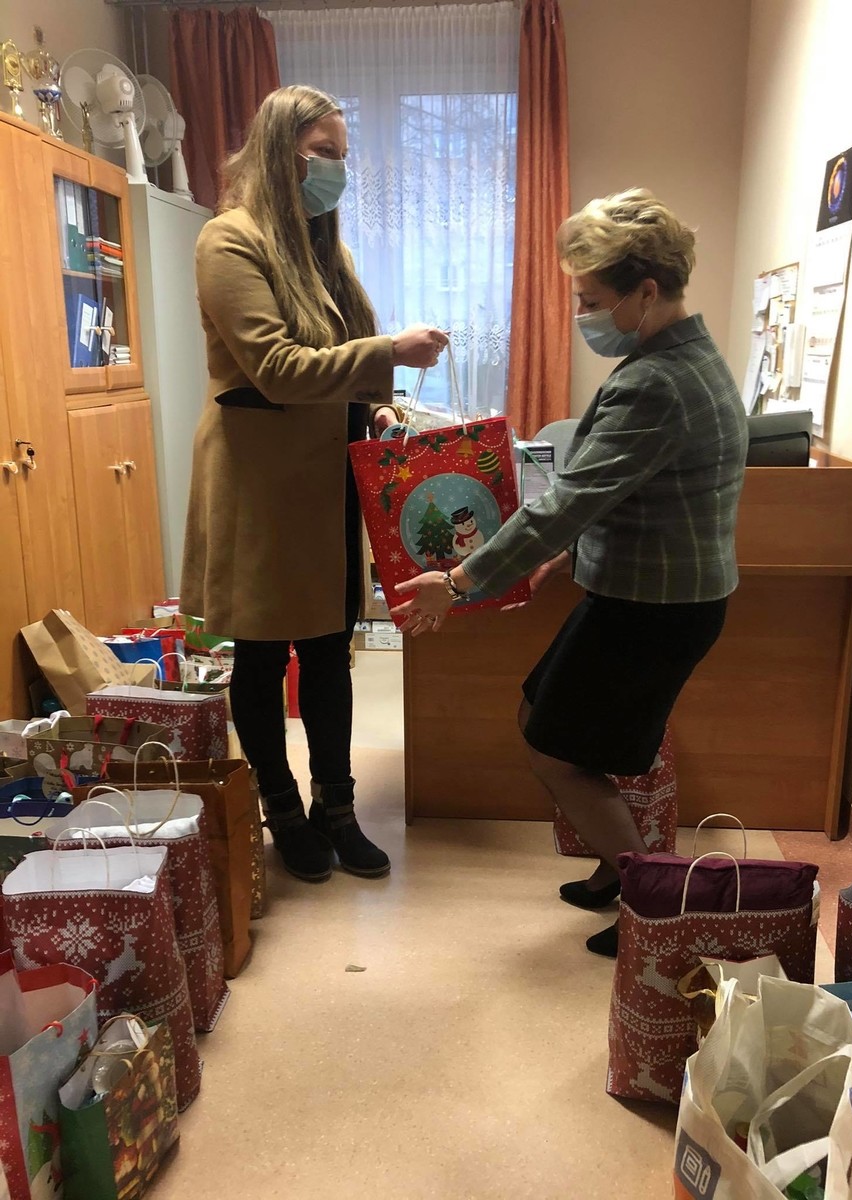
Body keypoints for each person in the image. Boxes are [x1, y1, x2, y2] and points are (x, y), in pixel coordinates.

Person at [393, 188, 748, 956]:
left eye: (590, 300)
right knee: (541, 716)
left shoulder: (655, 381)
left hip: (652, 607)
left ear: (645, 292)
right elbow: (626, 494)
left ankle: (655, 904)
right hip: (652, 595)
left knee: (554, 748)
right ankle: (618, 869)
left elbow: (571, 500)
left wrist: (458, 583)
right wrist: (559, 557)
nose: (584, 315)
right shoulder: (688, 357)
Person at [180, 85, 448, 884]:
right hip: (261, 483)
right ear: (279, 153)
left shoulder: (328, 252)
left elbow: (340, 363)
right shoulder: (229, 241)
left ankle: (338, 809)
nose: (337, 170)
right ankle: (283, 809)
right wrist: (388, 353)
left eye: (342, 156)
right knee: (263, 657)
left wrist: (383, 404)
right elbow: (276, 367)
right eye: (323, 154)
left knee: (331, 652)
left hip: (329, 476)